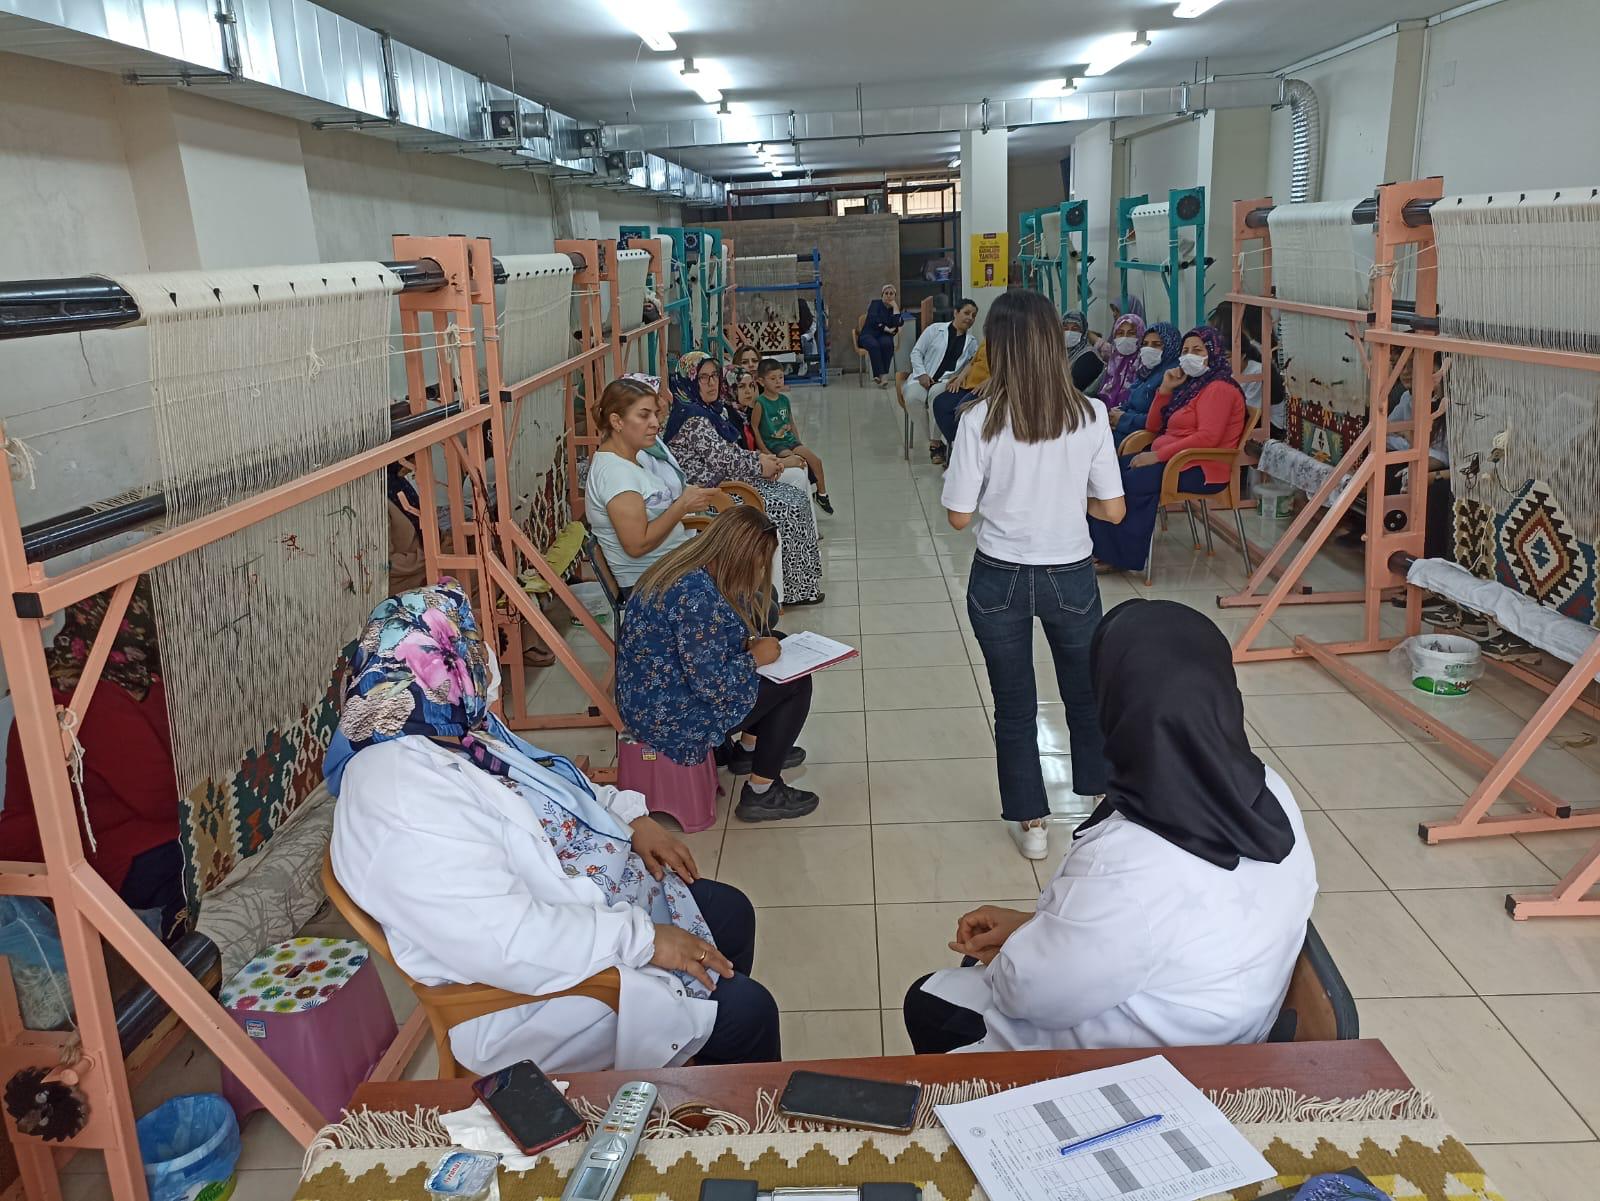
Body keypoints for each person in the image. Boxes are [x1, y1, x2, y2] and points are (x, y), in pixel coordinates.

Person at [327, 580, 780, 1073]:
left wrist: (633, 819)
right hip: (535, 991)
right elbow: (510, 941)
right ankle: (726, 1111)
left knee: (733, 913)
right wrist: (646, 941)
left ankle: (703, 1073)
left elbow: (551, 782)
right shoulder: (401, 802)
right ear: (434, 665)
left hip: (585, 903)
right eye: (471, 645)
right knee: (750, 1014)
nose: (485, 657)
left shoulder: (446, 730)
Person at [902, 599, 1318, 1054]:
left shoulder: (1126, 858)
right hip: (1229, 1025)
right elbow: (1154, 929)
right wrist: (1031, 928)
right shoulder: (1270, 787)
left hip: (1152, 1066)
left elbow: (1030, 996)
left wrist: (1018, 952)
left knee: (930, 1001)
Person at [941, 290, 1127, 861]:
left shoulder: (978, 420)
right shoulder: (1090, 415)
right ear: (1052, 344)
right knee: (1085, 695)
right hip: (1070, 574)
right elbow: (1113, 510)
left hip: (999, 576)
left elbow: (959, 516)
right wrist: (1069, 502)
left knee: (1015, 703)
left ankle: (1033, 824)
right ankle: (1101, 808)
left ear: (998, 348)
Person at [0, 578, 185, 939]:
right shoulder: (82, 701)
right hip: (105, 855)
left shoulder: (135, 681)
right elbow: (163, 798)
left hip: (126, 836)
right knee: (197, 867)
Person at [617, 507, 819, 823]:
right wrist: (753, 657)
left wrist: (749, 647)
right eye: (760, 561)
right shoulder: (696, 596)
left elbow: (697, 649)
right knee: (795, 681)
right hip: (673, 718)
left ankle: (749, 752)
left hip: (652, 697)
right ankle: (762, 793)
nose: (762, 569)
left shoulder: (688, 565)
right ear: (741, 556)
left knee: (776, 643)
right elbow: (711, 685)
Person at [667, 353, 826, 606]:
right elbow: (723, 460)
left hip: (727, 485)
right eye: (703, 377)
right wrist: (761, 464)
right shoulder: (692, 418)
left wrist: (763, 462)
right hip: (711, 498)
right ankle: (791, 593)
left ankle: (801, 586)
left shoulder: (710, 411)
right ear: (689, 380)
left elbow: (730, 453)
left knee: (794, 497)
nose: (711, 383)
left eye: (714, 376)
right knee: (790, 506)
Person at [1089, 325, 1246, 574]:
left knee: (1131, 481)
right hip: (1176, 461)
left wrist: (1157, 455)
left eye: (1198, 350)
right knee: (1106, 474)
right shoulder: (1191, 388)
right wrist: (1165, 390)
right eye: (1185, 350)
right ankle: (1099, 548)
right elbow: (1154, 425)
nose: (1189, 355)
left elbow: (1207, 437)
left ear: (1214, 353)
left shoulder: (1220, 389)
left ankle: (1118, 557)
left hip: (1201, 468)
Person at [585, 378, 722, 588]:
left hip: (672, 568)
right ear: (617, 421)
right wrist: (682, 505)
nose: (655, 424)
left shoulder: (633, 459)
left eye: (655, 414)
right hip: (655, 585)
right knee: (757, 604)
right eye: (643, 415)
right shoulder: (616, 475)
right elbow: (637, 545)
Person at [752, 358, 832, 514]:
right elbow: (755, 428)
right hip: (775, 445)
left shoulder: (784, 400)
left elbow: (792, 423)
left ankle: (822, 495)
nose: (778, 382)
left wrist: (798, 442)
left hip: (789, 440)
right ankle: (801, 501)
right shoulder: (760, 403)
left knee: (815, 460)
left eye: (780, 377)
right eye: (772, 378)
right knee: (796, 461)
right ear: (761, 381)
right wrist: (766, 451)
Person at [904, 297, 980, 432]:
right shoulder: (934, 329)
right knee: (912, 398)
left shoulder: (972, 342)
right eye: (966, 313)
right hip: (923, 378)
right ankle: (932, 438)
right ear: (956, 313)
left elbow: (973, 364)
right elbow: (916, 352)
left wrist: (958, 380)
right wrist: (922, 374)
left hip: (945, 382)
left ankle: (936, 444)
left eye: (973, 316)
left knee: (937, 397)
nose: (970, 318)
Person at [1107, 321, 1181, 445]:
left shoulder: (1173, 376)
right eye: (1145, 344)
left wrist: (1123, 419)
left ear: (1170, 346)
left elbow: (1162, 419)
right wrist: (1115, 413)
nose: (1148, 349)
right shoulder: (1146, 372)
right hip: (1124, 431)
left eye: (1156, 345)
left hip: (1140, 439)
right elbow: (1131, 402)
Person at [1092, 311, 1145, 411]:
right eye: (1120, 333)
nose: (1125, 338)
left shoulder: (1144, 366)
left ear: (1140, 335)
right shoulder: (1112, 363)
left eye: (1131, 333)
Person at [858, 284, 905, 385]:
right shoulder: (875, 304)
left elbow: (898, 323)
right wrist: (886, 329)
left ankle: (880, 375)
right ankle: (881, 375)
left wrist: (896, 307)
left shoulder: (893, 308)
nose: (888, 296)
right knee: (874, 345)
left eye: (891, 294)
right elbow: (873, 319)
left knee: (887, 344)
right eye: (886, 293)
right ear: (882, 295)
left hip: (883, 336)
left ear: (894, 296)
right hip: (868, 334)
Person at [1063, 310, 1104, 393]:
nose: (1069, 333)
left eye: (1075, 329)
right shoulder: (1063, 353)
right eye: (1065, 328)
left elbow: (1074, 387)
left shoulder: (1089, 357)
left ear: (1083, 332)